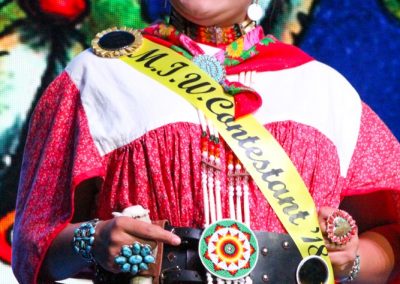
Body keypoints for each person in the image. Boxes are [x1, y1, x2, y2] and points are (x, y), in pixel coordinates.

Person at [12, 0, 400, 283]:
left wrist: (350, 260)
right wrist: (93, 241)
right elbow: (35, 245)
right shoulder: (96, 76)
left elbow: (390, 238)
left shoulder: (324, 89)